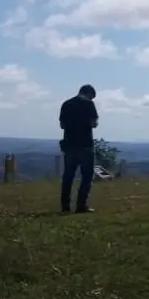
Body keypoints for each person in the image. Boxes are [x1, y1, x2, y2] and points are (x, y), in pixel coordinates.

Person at [59, 84, 99, 214]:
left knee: (68, 177)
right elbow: (93, 123)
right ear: (89, 94)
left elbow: (62, 125)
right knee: (86, 176)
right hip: (85, 145)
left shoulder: (66, 104)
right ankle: (81, 205)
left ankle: (65, 207)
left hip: (70, 145)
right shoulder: (89, 104)